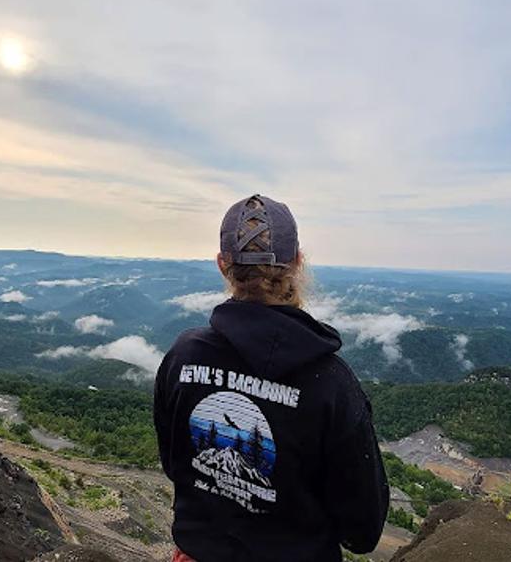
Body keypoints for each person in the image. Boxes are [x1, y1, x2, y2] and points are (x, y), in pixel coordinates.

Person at [154, 194, 389, 562]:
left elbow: (175, 465)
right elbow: (362, 530)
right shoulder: (331, 384)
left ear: (222, 265)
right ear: (296, 263)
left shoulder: (183, 357)